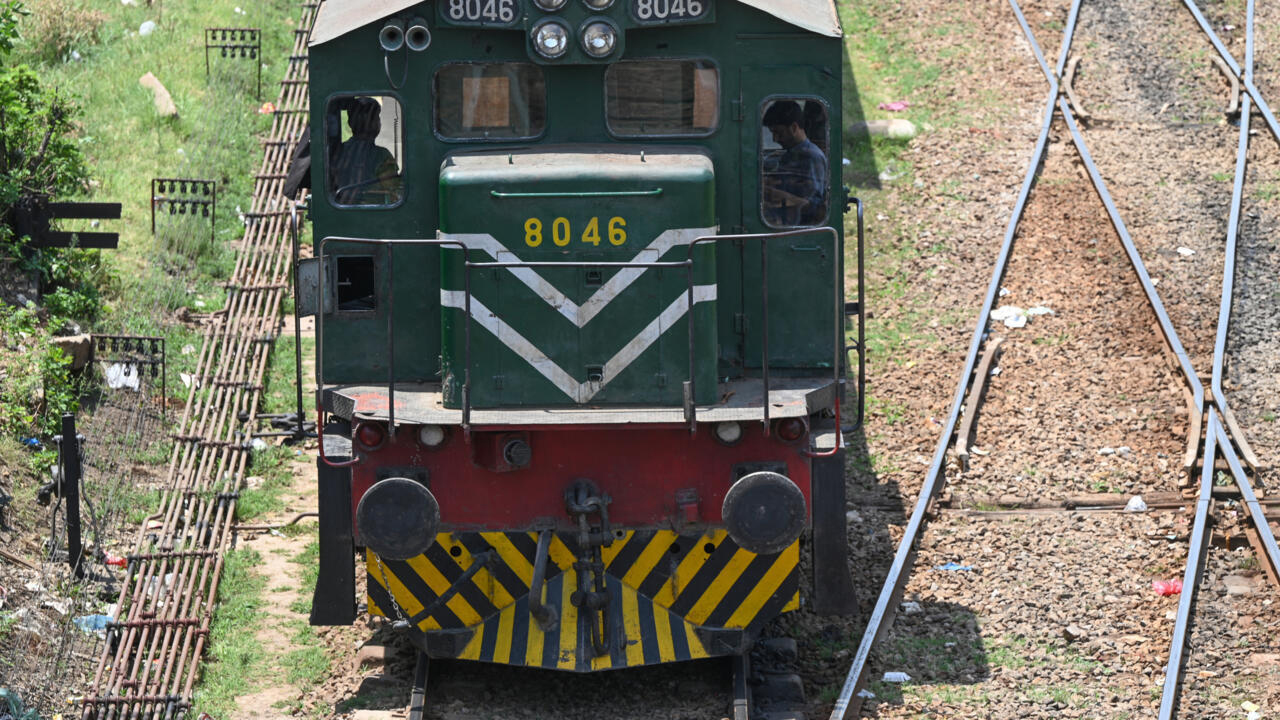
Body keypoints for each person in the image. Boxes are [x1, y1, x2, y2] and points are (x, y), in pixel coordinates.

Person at [761, 100, 828, 226]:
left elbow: (814, 205)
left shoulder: (812, 157)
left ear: (794, 128)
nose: (775, 139)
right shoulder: (789, 154)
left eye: (778, 133)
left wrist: (782, 196)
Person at [331, 97, 402, 205]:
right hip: (373, 213)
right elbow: (392, 185)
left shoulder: (339, 150)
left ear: (350, 123)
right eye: (377, 118)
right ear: (374, 124)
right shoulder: (381, 155)